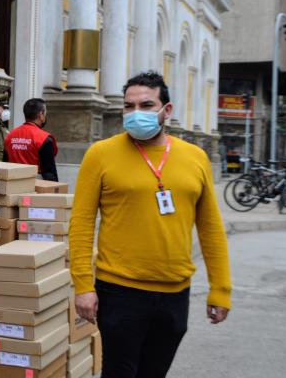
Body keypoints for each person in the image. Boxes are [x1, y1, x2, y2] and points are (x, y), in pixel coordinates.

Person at [68, 71, 231, 378]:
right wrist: (83, 286)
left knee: (154, 373)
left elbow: (210, 228)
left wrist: (220, 289)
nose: (135, 113)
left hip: (175, 293)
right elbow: (81, 223)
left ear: (166, 110)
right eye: (129, 106)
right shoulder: (100, 154)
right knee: (119, 372)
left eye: (146, 105)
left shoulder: (195, 158)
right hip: (119, 291)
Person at [4, 98, 58, 181]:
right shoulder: (44, 139)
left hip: (12, 184)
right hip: (35, 186)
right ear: (41, 115)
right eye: (45, 113)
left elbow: (5, 164)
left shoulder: (10, 136)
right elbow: (49, 174)